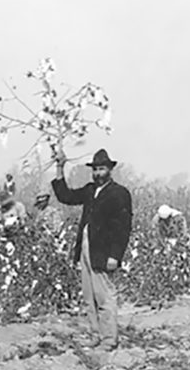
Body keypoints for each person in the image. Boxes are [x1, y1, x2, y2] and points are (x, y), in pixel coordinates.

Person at [51, 148, 133, 350]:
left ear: (110, 170)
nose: (97, 173)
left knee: (105, 296)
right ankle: (96, 334)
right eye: (95, 169)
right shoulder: (89, 190)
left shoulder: (119, 193)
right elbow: (66, 196)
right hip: (86, 248)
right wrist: (60, 167)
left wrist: (115, 255)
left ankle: (109, 339)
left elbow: (123, 228)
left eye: (101, 169)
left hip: (103, 251)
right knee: (89, 297)